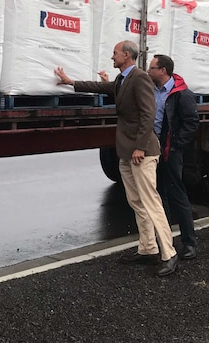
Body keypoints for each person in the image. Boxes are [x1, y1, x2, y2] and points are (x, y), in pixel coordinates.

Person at [55, 40, 179, 277]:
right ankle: (148, 248)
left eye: (115, 54)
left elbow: (148, 112)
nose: (112, 57)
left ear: (127, 56)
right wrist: (72, 83)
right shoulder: (122, 79)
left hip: (142, 151)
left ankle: (169, 253)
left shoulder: (140, 77)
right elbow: (103, 88)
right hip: (126, 151)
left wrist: (140, 146)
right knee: (136, 202)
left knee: (151, 202)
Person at [147, 54, 199, 260]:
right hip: (152, 151)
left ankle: (189, 242)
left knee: (177, 196)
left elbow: (192, 123)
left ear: (163, 70)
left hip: (171, 151)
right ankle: (165, 241)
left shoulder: (181, 94)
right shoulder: (151, 90)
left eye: (152, 68)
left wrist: (175, 145)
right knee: (159, 197)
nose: (148, 71)